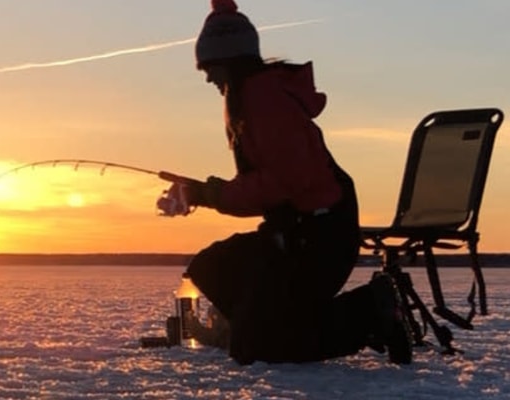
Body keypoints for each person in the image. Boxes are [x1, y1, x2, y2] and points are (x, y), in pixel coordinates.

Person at [172, 0, 412, 365]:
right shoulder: (251, 97)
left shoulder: (264, 101)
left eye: (210, 68)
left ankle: (369, 311)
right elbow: (266, 181)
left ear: (230, 62)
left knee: (260, 347)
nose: (208, 78)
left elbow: (285, 181)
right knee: (212, 266)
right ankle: (253, 323)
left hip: (319, 239)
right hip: (294, 233)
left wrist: (212, 194)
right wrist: (202, 193)